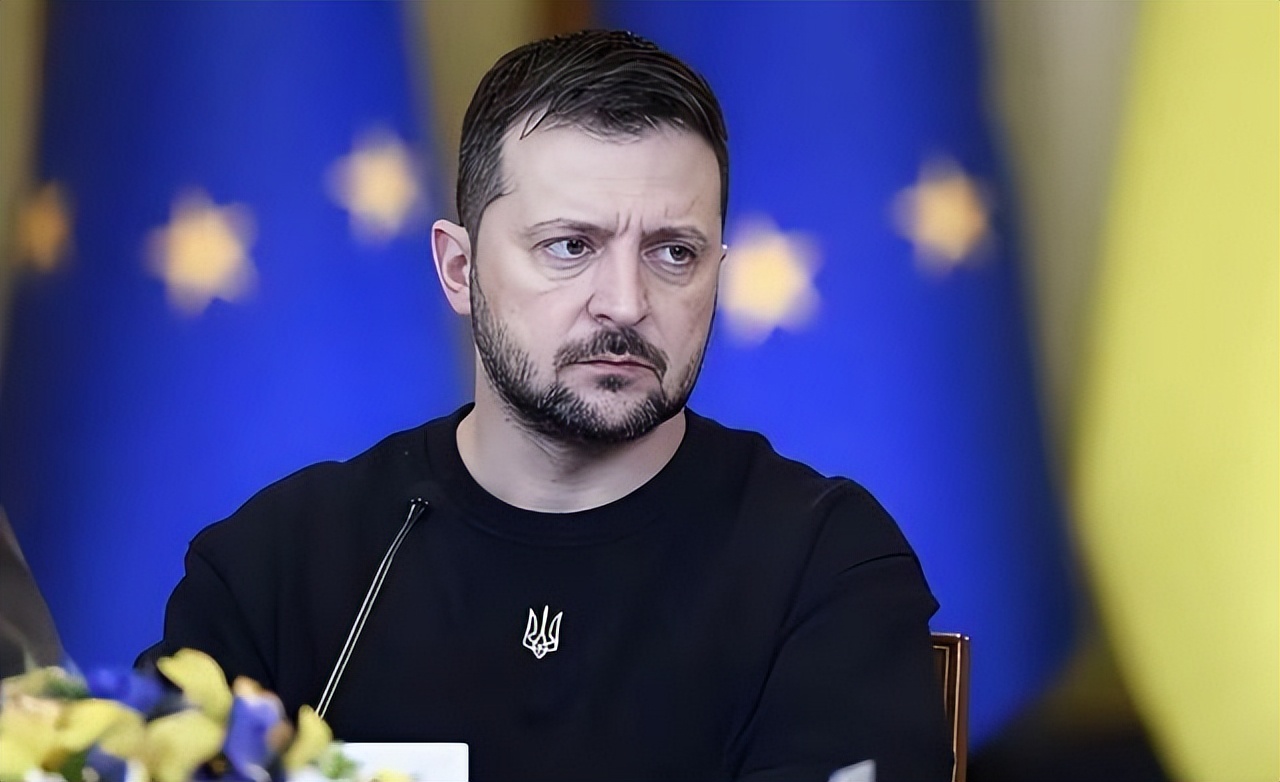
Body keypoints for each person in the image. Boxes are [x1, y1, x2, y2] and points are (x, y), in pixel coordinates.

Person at [145, 30, 952, 781]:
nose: (625, 303)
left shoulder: (824, 563)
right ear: (459, 270)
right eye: (570, 246)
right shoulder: (277, 565)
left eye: (674, 253)